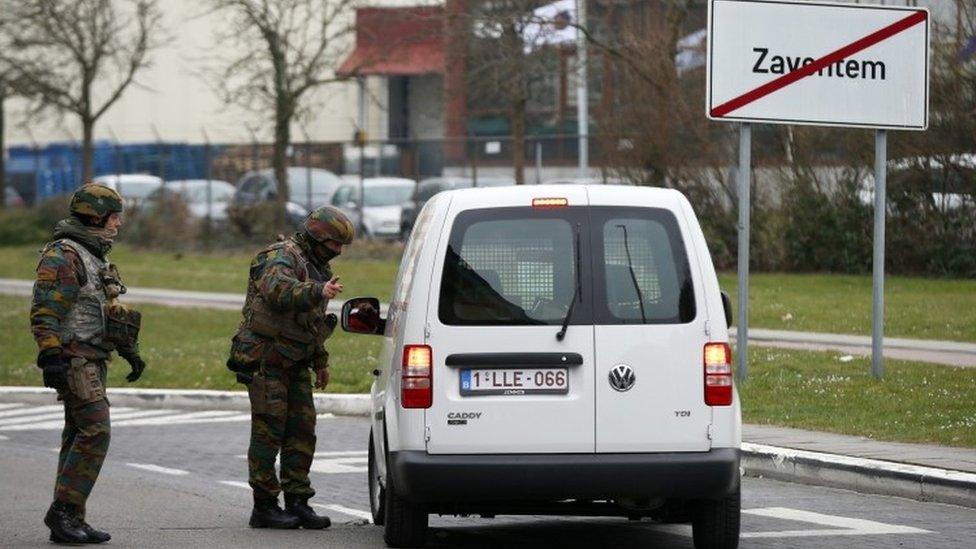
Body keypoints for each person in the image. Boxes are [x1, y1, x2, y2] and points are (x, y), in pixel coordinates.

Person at [30, 184, 147, 544]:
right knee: (96, 430)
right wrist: (50, 356)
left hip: (93, 357)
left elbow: (103, 310)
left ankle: (71, 518)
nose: (119, 223)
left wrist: (129, 350)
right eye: (114, 217)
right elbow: (45, 311)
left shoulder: (93, 254)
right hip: (74, 358)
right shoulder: (65, 256)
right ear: (95, 217)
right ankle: (63, 513)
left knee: (77, 433)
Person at [227, 205, 354, 530]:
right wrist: (317, 291)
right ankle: (265, 506)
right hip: (266, 359)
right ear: (316, 237)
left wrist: (320, 361)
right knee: (269, 433)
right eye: (333, 245)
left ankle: (298, 502)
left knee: (301, 432)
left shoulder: (316, 265)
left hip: (295, 360)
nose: (337, 252)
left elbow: (308, 322)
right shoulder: (280, 256)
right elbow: (277, 292)